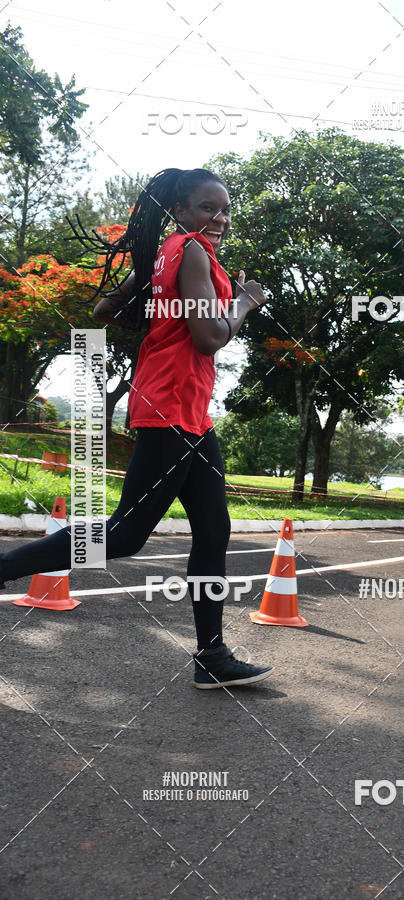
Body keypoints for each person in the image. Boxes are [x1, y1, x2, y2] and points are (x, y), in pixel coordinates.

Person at [0, 167, 273, 689]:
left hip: (191, 413)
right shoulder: (191, 249)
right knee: (125, 534)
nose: (219, 218)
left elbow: (104, 309)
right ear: (181, 211)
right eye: (207, 207)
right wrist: (244, 303)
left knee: (214, 532)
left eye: (225, 209)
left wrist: (157, 311)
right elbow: (211, 337)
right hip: (171, 408)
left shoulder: (160, 256)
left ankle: (211, 657)